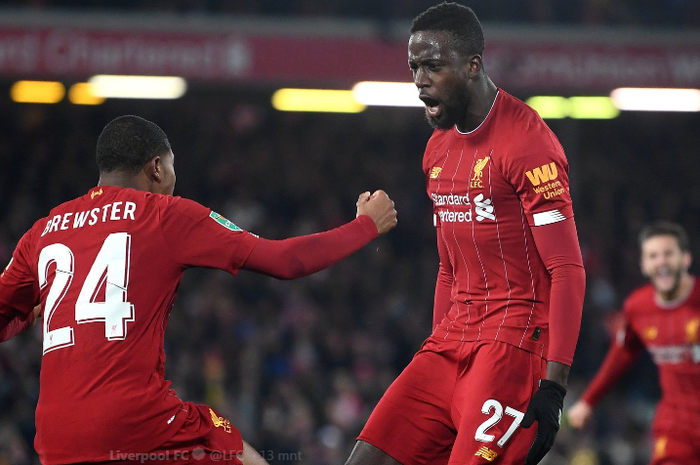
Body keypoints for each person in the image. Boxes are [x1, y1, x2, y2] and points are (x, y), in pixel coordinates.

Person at [0, 114, 398, 465]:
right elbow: (284, 261)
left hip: (55, 438)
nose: (173, 180)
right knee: (234, 447)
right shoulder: (165, 215)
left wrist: (28, 314)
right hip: (137, 425)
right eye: (172, 168)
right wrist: (365, 225)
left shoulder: (44, 230)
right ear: (156, 167)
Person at [344, 3, 586, 465]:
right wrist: (433, 351)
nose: (419, 80)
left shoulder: (528, 143)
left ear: (472, 65)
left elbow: (567, 269)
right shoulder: (437, 148)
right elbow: (448, 268)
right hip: (450, 342)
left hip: (513, 345)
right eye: (414, 67)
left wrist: (554, 386)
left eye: (433, 66)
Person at [567, 222, 700, 465]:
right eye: (653, 255)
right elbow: (621, 355)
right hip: (677, 429)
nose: (661, 262)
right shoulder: (639, 307)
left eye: (668, 253)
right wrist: (588, 401)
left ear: (686, 259)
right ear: (644, 264)